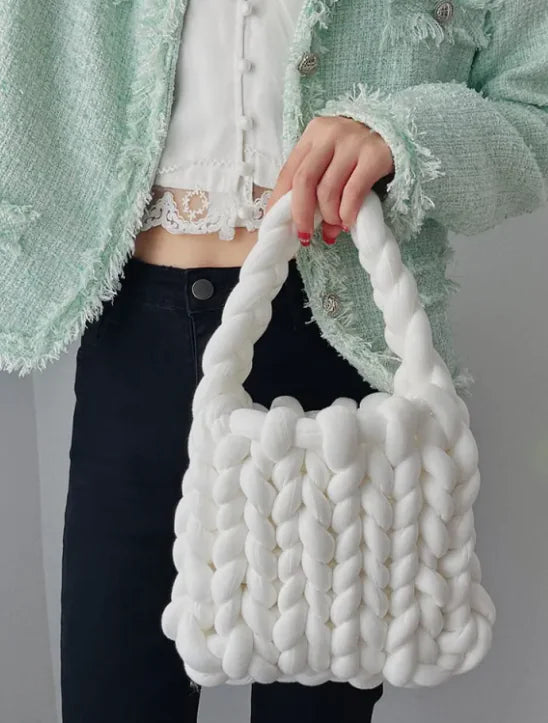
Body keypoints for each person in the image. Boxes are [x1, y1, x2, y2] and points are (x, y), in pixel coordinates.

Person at [1, 1, 547, 722]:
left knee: (320, 696)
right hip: (136, 339)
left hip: (340, 344)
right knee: (112, 689)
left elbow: (534, 105)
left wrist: (398, 131)